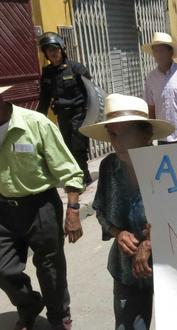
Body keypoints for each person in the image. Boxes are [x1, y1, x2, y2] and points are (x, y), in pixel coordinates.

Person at [80, 94, 175, 330]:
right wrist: (117, 232)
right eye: (113, 134)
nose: (118, 143)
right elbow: (100, 210)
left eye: (126, 133)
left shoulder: (172, 167)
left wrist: (151, 242)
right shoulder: (109, 166)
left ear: (147, 134)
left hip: (172, 269)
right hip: (127, 269)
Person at [0, 85, 84, 330]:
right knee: (3, 270)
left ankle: (59, 317)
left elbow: (70, 170)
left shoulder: (36, 123)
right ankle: (29, 304)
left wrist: (73, 210)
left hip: (40, 206)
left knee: (51, 269)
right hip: (4, 210)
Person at [36, 32, 93, 184]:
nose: (53, 53)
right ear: (46, 54)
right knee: (66, 147)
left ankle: (84, 177)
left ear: (61, 49)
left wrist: (91, 113)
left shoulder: (76, 68)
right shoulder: (47, 73)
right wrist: (38, 117)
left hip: (79, 114)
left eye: (55, 49)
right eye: (49, 50)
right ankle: (75, 176)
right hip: (62, 116)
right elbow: (45, 98)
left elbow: (91, 91)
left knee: (78, 147)